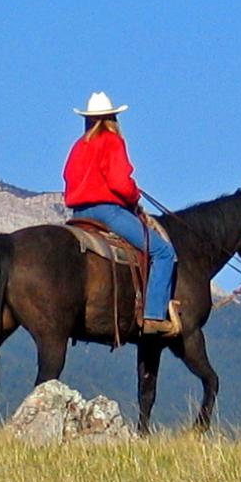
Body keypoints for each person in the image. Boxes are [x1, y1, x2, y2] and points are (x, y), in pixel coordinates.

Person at [63, 91, 179, 336]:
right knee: (163, 252)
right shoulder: (112, 142)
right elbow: (118, 181)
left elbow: (68, 177)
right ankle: (153, 316)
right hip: (108, 211)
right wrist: (134, 198)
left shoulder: (78, 146)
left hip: (79, 213)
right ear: (112, 118)